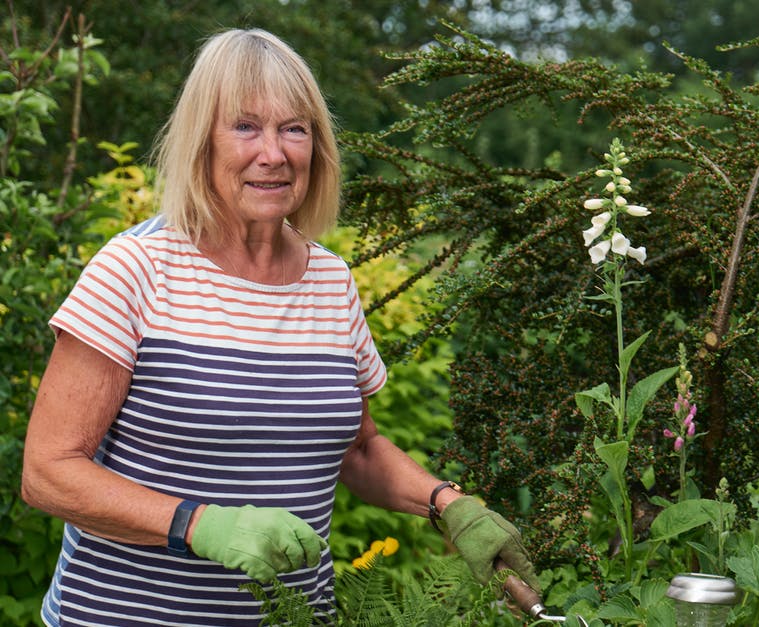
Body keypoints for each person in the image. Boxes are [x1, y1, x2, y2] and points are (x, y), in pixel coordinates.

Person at [21, 28, 538, 626]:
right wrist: (200, 524)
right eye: (245, 127)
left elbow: (360, 449)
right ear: (201, 141)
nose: (274, 153)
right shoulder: (137, 269)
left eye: (294, 128)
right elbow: (48, 472)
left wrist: (448, 505)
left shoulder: (331, 280)